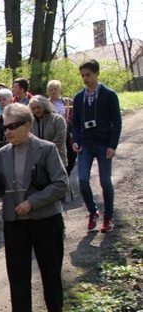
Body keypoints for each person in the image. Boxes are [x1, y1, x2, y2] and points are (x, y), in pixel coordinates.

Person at [0, 103, 68, 312]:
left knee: (50, 268)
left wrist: (33, 202)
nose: (8, 132)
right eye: (5, 128)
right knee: (17, 272)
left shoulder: (46, 149)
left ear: (27, 125)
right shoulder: (2, 153)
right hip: (15, 221)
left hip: (45, 219)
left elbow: (60, 183)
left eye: (13, 126)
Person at [71, 59, 122, 233]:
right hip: (85, 144)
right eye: (82, 75)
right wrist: (75, 140)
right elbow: (75, 122)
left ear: (97, 73)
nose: (85, 79)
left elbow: (117, 121)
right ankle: (93, 212)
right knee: (83, 179)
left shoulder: (109, 95)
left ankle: (109, 216)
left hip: (103, 143)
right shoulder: (79, 97)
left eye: (88, 75)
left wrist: (112, 145)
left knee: (105, 180)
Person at [28, 95, 68, 168]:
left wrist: (45, 154)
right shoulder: (30, 123)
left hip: (57, 161)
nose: (36, 110)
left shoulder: (58, 120)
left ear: (45, 106)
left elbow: (60, 140)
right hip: (37, 163)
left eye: (38, 107)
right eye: (33, 108)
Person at [47, 79, 76, 174]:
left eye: (55, 89)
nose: (53, 91)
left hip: (67, 134)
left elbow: (76, 115)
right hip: (53, 133)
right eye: (51, 90)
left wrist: (70, 120)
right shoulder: (45, 104)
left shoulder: (68, 102)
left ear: (59, 90)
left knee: (71, 155)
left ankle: (67, 173)